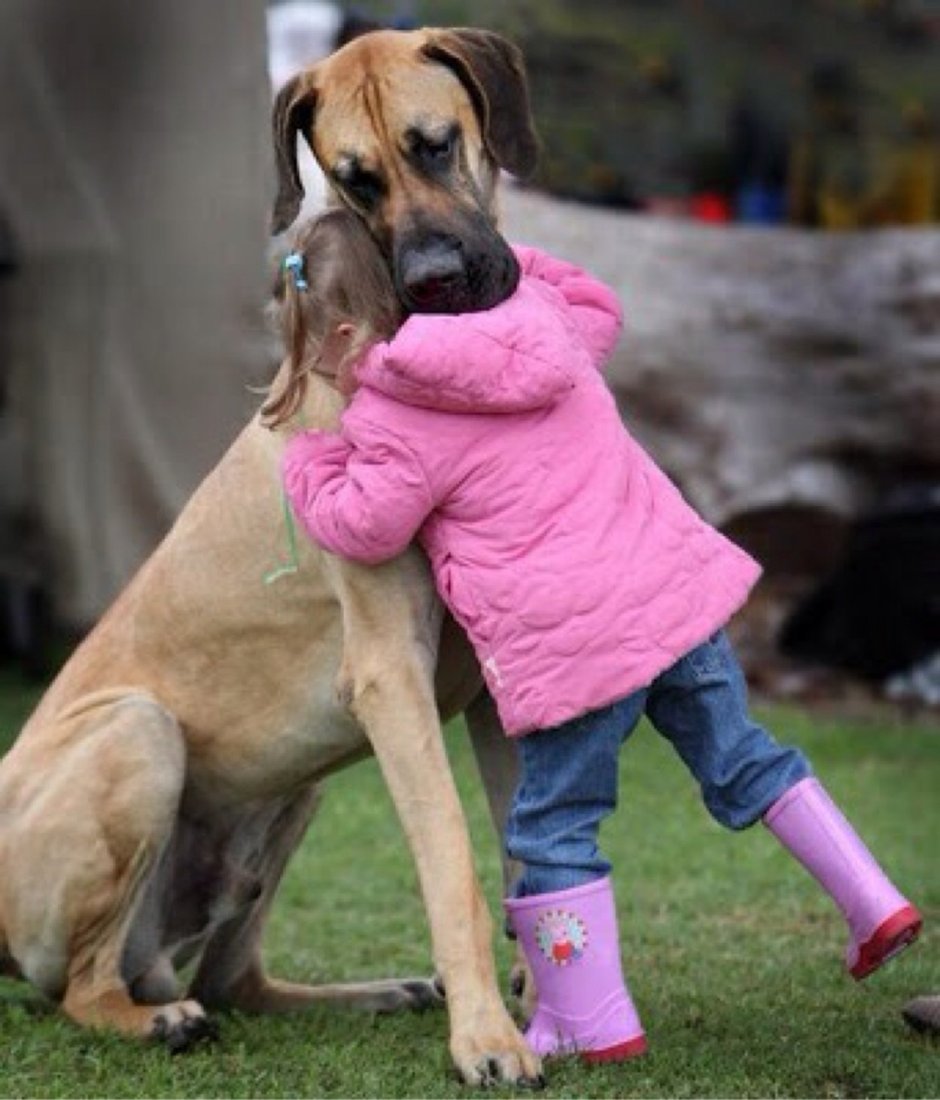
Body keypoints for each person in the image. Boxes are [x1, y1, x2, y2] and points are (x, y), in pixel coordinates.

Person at [274, 208, 922, 1064]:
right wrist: (497, 264)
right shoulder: (541, 320)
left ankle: (593, 1017)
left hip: (576, 653)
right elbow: (598, 300)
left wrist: (308, 462)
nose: (308, 367)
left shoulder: (396, 418)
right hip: (674, 604)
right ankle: (871, 899)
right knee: (743, 757)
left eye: (307, 348)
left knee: (553, 830)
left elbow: (365, 528)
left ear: (348, 334)